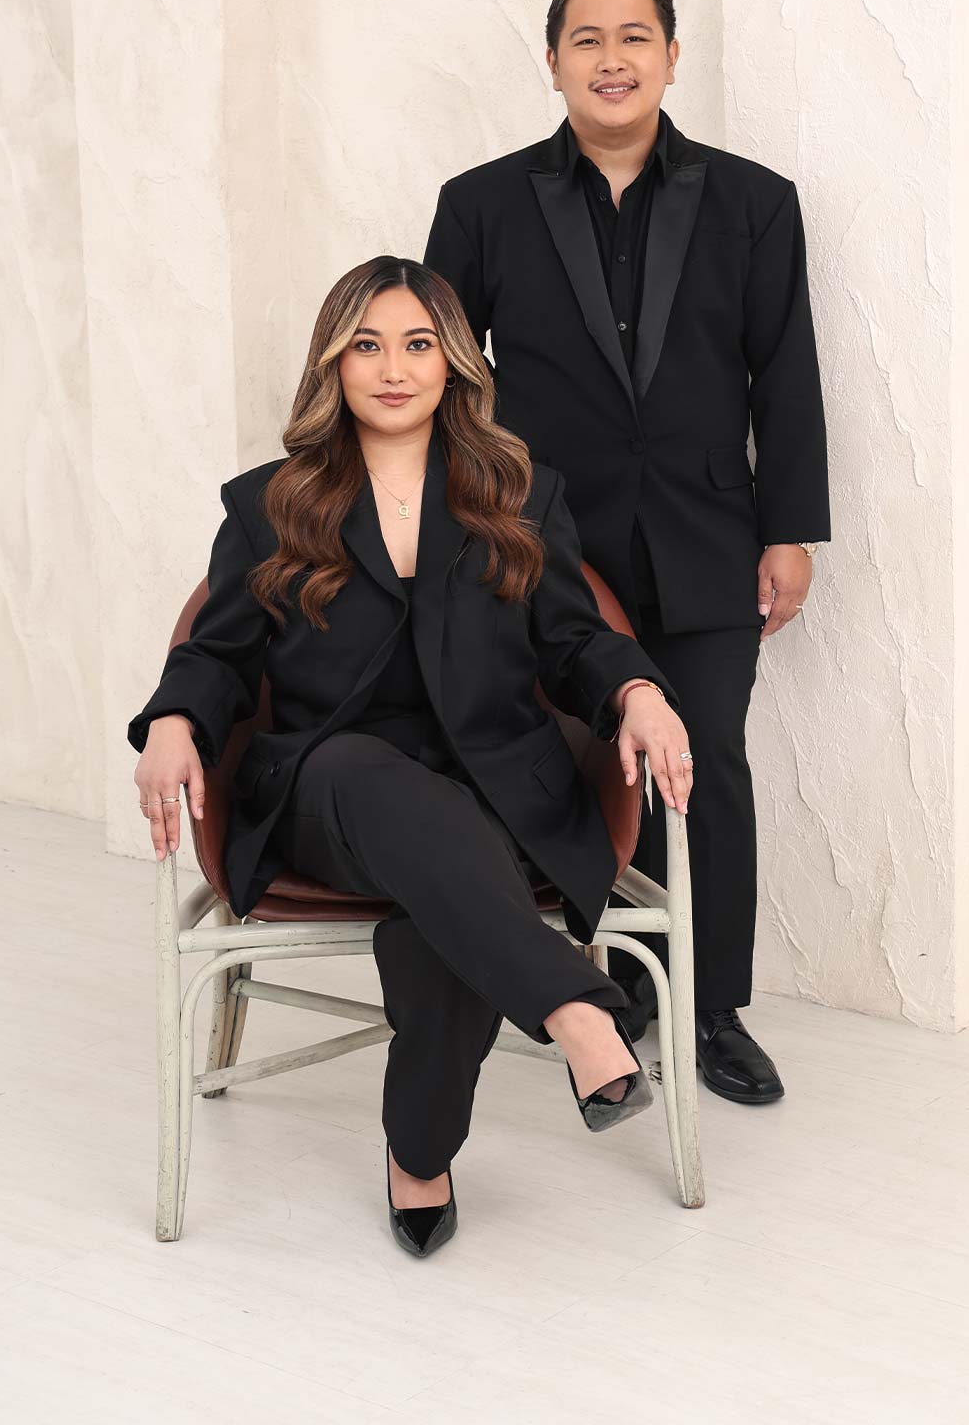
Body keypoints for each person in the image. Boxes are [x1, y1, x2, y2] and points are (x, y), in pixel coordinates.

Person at [127, 256, 694, 1257]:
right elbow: (216, 655)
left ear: (455, 363)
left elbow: (574, 639)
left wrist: (637, 692)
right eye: (367, 346)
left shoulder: (520, 491)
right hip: (329, 790)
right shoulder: (269, 503)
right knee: (369, 776)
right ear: (333, 364)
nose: (393, 369)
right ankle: (576, 1007)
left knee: (451, 890)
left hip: (494, 793)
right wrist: (174, 718)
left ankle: (418, 1155)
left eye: (418, 344)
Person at [424, 0, 830, 1106]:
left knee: (706, 761)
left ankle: (710, 1010)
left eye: (633, 36)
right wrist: (464, 518)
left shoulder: (753, 202)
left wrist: (788, 529)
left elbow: (782, 374)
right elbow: (443, 376)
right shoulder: (480, 203)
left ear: (670, 55)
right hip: (543, 547)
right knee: (567, 763)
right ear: (553, 60)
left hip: (708, 536)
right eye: (587, 39)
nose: (611, 59)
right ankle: (597, 985)